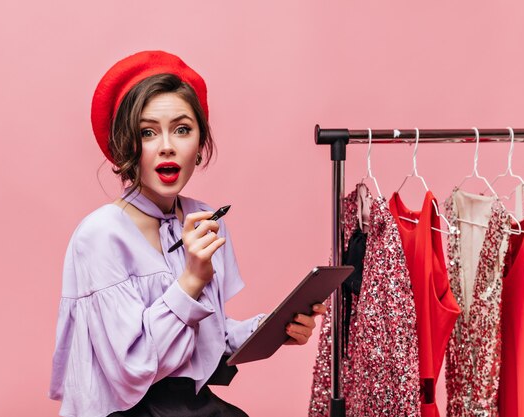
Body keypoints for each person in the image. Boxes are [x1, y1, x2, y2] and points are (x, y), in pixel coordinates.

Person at [48, 50, 326, 417]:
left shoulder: (202, 218)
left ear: (199, 143)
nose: (167, 146)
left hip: (186, 405)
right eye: (148, 132)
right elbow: (132, 370)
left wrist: (274, 328)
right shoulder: (99, 236)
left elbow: (207, 339)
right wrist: (192, 279)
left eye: (182, 129)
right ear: (125, 145)